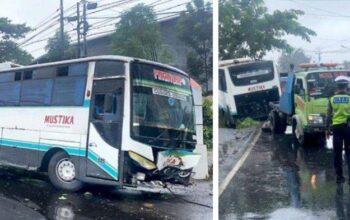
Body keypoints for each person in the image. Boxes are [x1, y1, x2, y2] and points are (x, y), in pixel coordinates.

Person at [326, 75, 350, 184]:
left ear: (337, 86)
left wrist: (327, 128)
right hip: (348, 128)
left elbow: (328, 115)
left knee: (337, 153)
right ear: (346, 86)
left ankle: (339, 177)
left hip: (336, 128)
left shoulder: (332, 99)